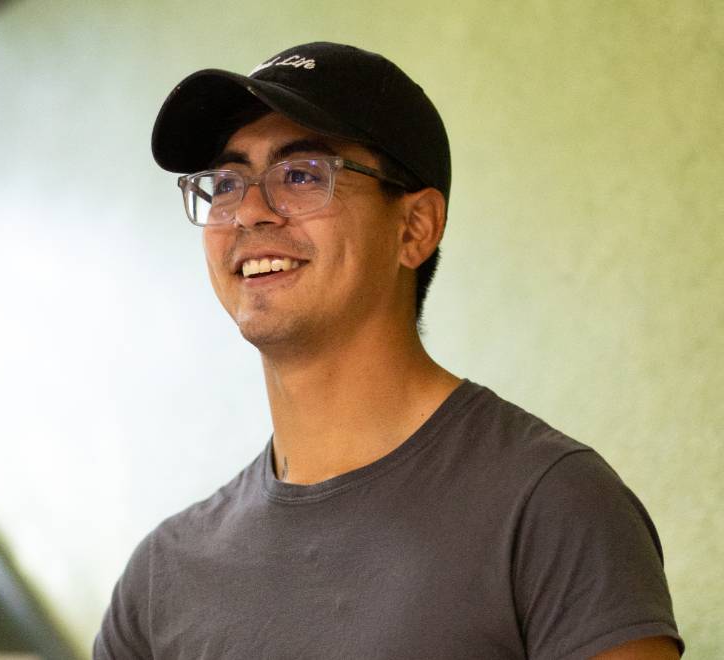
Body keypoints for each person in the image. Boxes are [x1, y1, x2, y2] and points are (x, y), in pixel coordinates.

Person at [94, 42, 683, 659]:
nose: (250, 213)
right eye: (226, 182)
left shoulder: (551, 505)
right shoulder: (161, 580)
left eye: (301, 174)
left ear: (415, 228)